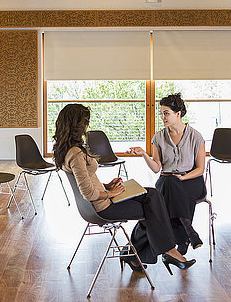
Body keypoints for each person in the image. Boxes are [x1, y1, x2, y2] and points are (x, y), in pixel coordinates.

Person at [53, 103, 195, 274]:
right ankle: (169, 251)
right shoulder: (76, 154)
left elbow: (84, 182)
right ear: (77, 125)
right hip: (104, 208)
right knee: (153, 206)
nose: (87, 126)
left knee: (152, 194)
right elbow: (88, 193)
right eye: (85, 122)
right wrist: (110, 193)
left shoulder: (67, 151)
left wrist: (108, 185)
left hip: (101, 201)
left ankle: (134, 255)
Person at [128, 93, 206, 255]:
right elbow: (157, 168)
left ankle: (172, 240)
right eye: (161, 113)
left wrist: (184, 177)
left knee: (166, 192)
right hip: (168, 181)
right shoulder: (158, 137)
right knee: (169, 183)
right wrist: (144, 154)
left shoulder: (195, 136)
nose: (162, 117)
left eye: (166, 113)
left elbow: (200, 169)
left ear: (178, 114)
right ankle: (187, 232)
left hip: (191, 180)